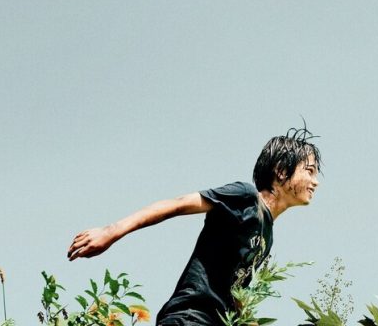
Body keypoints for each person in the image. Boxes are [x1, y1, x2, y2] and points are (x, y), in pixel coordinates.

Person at [67, 127, 322, 325]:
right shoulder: (244, 197)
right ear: (281, 171)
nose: (315, 181)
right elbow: (177, 204)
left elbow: (235, 291)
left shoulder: (267, 234)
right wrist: (110, 231)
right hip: (190, 317)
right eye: (309, 171)